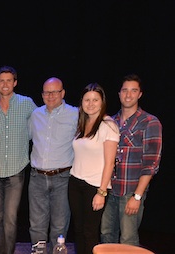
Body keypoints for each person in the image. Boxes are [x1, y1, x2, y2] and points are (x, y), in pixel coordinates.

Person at [101, 74, 163, 246]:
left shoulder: (150, 122)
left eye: (133, 91)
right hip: (110, 189)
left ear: (140, 94)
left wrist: (137, 196)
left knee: (128, 239)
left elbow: (151, 164)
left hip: (131, 190)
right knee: (106, 235)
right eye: (125, 90)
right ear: (119, 93)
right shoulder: (110, 122)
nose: (128, 95)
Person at [0, 66, 37, 254]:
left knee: (11, 218)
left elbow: (39, 127)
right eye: (1, 81)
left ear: (15, 82)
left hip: (16, 170)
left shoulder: (27, 103)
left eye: (9, 80)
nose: (5, 84)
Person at [28, 77, 78, 250]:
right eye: (46, 92)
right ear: (42, 95)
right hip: (37, 177)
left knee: (59, 224)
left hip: (62, 177)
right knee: (36, 224)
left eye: (54, 92)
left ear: (62, 93)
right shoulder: (36, 115)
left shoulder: (75, 114)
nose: (50, 96)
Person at [69, 83, 119, 254]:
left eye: (95, 100)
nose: (90, 104)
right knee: (78, 230)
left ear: (102, 101)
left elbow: (110, 162)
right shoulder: (82, 123)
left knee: (90, 232)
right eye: (87, 100)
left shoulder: (108, 125)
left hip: (95, 187)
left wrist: (101, 192)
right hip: (75, 182)